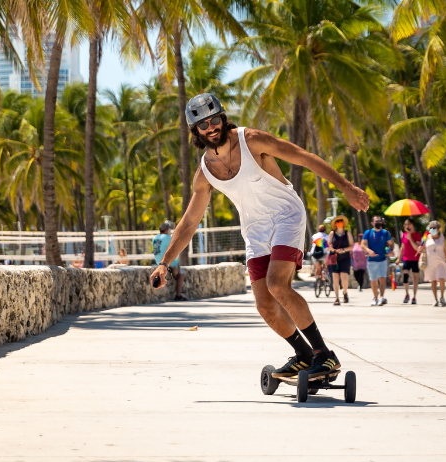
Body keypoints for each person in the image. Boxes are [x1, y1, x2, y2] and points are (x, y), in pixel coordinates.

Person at [150, 93, 369, 379]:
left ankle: (324, 356)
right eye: (203, 125)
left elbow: (303, 157)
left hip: (286, 215)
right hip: (256, 231)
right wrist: (164, 263)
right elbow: (189, 222)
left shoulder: (252, 140)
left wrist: (346, 186)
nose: (211, 127)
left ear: (223, 118)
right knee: (265, 305)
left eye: (215, 119)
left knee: (277, 284)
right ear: (196, 131)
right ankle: (303, 355)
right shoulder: (204, 173)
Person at [419, 220, 446, 307]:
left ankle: (442, 297)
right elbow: (421, 248)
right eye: (430, 228)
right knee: (433, 281)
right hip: (430, 264)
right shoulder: (426, 238)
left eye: (434, 228)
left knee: (441, 279)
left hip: (440, 262)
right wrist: (420, 248)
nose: (432, 229)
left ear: (438, 229)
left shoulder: (442, 238)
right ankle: (435, 299)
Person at [361, 215, 394, 306]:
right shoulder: (368, 232)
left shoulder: (386, 233)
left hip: (382, 259)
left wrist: (390, 250)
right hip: (371, 260)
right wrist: (369, 251)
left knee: (382, 278)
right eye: (377, 221)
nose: (379, 222)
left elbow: (391, 244)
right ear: (372, 223)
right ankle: (375, 297)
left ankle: (381, 297)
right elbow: (362, 244)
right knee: (373, 280)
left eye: (380, 221)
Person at [152, 221, 187, 301]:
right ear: (167, 230)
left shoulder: (155, 238)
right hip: (168, 264)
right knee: (181, 275)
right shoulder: (168, 237)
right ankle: (178, 295)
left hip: (158, 262)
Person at [328, 215, 353, 305]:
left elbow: (351, 246)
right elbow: (328, 245)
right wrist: (331, 249)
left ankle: (345, 293)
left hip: (345, 257)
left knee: (344, 278)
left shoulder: (347, 233)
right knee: (335, 278)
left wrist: (344, 250)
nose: (339, 223)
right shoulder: (332, 234)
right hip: (334, 258)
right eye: (338, 222)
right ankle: (337, 298)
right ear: (335, 224)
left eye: (341, 221)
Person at [395, 217, 422, 304]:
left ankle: (414, 297)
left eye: (407, 224)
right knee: (405, 278)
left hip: (415, 259)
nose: (406, 226)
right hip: (406, 259)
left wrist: (410, 239)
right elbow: (402, 247)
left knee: (415, 279)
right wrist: (399, 258)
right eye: (405, 224)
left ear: (412, 225)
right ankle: (407, 294)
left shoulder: (418, 235)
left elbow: (417, 248)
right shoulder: (404, 235)